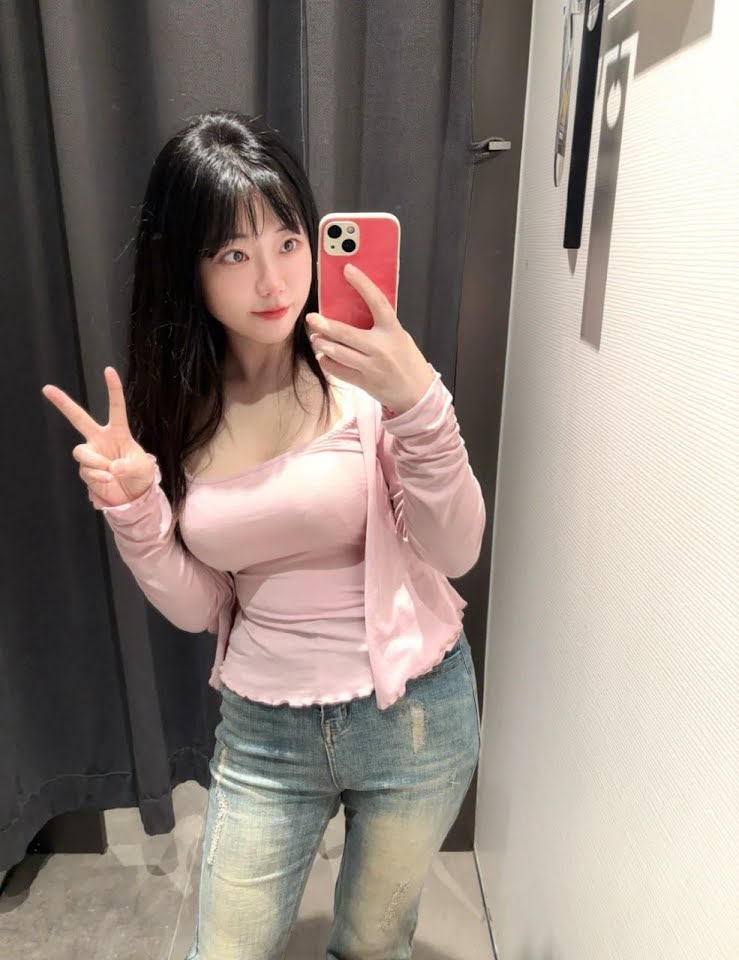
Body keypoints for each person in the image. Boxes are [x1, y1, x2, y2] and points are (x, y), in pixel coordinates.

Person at [42, 110, 486, 960]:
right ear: (188, 267)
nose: (273, 279)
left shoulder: (370, 380)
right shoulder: (176, 415)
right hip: (266, 731)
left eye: (287, 242)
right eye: (233, 255)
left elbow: (457, 550)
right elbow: (199, 606)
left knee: (373, 943)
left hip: (415, 714)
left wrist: (421, 406)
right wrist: (136, 513)